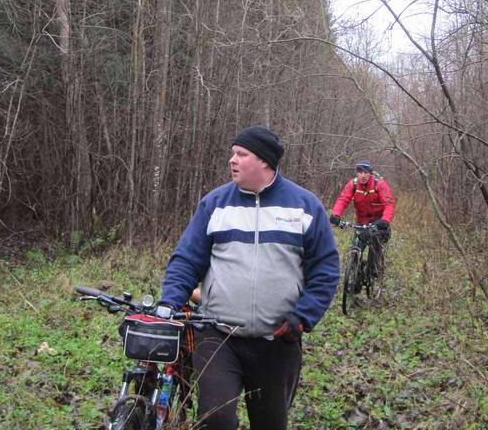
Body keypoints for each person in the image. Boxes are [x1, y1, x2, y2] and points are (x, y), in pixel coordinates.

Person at [158, 125, 340, 430]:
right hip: (217, 335)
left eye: (241, 154)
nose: (232, 159)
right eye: (233, 153)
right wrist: (169, 302)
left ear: (265, 162)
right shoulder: (215, 205)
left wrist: (303, 318)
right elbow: (186, 260)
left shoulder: (304, 207)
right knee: (215, 418)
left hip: (277, 341)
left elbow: (326, 269)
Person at [329, 160, 395, 273]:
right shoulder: (353, 184)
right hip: (362, 222)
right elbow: (342, 200)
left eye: (366, 172)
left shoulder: (379, 184)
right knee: (357, 247)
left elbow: (389, 204)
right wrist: (336, 215)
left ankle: (374, 270)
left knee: (375, 246)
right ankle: (354, 273)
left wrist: (385, 220)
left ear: (370, 173)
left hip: (378, 223)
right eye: (360, 172)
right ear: (357, 173)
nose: (363, 175)